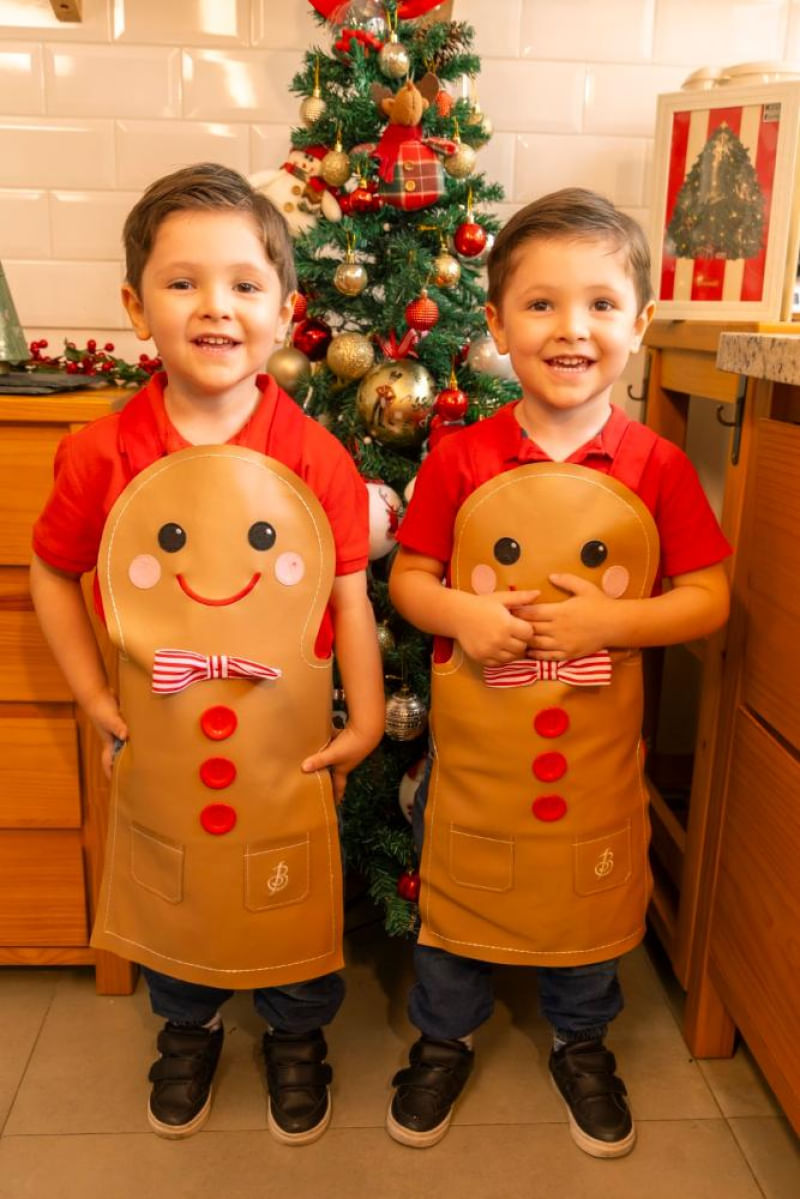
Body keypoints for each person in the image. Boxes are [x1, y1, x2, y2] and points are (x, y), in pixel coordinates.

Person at [30, 163, 384, 1146]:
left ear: (285, 311)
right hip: (160, 738)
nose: (214, 306)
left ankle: (296, 1036)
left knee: (289, 891)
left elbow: (348, 595)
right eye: (182, 281)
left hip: (285, 743)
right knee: (172, 885)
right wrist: (93, 696)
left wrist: (362, 720)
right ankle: (187, 1029)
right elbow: (51, 570)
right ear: (134, 307)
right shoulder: (100, 455)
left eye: (243, 283)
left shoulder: (315, 457)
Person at [386, 187, 730, 1157]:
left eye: (599, 304)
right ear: (497, 325)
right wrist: (461, 612)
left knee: (590, 897)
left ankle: (581, 1043)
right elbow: (409, 577)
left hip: (593, 763)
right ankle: (442, 1038)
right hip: (475, 762)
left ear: (639, 323)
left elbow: (708, 595)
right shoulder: (460, 457)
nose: (571, 328)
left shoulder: (656, 465)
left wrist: (612, 620)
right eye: (540, 304)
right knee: (457, 900)